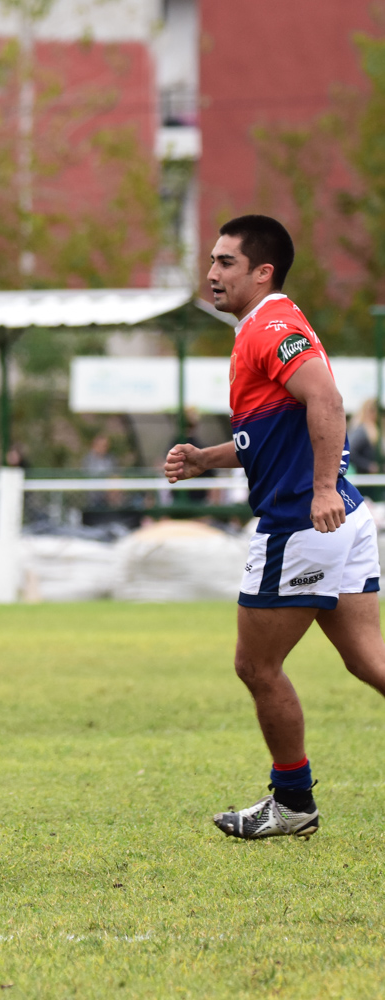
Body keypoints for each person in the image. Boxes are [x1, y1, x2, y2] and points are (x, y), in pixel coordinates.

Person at [165, 214, 385, 840]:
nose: (212, 272)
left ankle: (293, 802)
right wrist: (207, 458)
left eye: (226, 262)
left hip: (302, 521)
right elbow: (269, 435)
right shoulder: (259, 328)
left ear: (263, 272)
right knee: (369, 660)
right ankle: (292, 802)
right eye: (212, 260)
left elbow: (327, 400)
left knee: (256, 667)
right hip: (342, 516)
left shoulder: (272, 326)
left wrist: (321, 489)